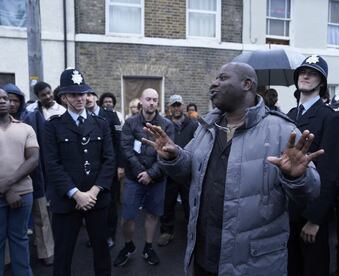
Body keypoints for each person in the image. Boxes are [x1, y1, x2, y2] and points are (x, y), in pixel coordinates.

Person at [143, 62, 322, 276]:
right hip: (203, 256)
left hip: (252, 265)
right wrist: (174, 157)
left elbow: (311, 192)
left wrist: (297, 177)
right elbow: (188, 170)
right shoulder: (207, 128)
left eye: (222, 78)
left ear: (247, 84)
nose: (214, 83)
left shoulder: (282, 131)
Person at [44, 68, 115, 276]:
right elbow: (52, 164)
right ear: (64, 97)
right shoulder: (53, 126)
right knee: (63, 255)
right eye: (74, 94)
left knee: (102, 253)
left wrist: (92, 192)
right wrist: (76, 193)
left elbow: (109, 160)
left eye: (83, 93)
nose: (80, 98)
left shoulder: (101, 124)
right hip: (67, 202)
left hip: (97, 199)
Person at [286, 55, 339, 276]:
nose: (306, 75)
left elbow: (332, 171)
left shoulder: (331, 118)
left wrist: (315, 218)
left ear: (322, 82)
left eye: (313, 73)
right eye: (302, 71)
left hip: (310, 211)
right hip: (286, 209)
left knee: (312, 268)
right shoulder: (290, 115)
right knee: (290, 267)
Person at [114, 88, 174, 267]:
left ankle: (148, 247)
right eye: (148, 99)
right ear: (141, 100)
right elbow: (125, 148)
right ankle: (128, 245)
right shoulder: (131, 122)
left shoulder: (166, 124)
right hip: (134, 178)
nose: (152, 103)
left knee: (152, 214)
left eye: (155, 100)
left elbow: (167, 153)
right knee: (127, 216)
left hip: (157, 179)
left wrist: (151, 173)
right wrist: (142, 171)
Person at [21, 81, 62, 266]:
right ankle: (41, 244)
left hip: (54, 162)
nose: (48, 97)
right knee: (40, 210)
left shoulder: (61, 110)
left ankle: (51, 245)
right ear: (38, 96)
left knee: (51, 208)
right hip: (37, 164)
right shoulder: (30, 113)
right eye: (44, 95)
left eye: (49, 93)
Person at [0, 88, 39, 276]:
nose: (2, 101)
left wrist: (8, 185)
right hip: (7, 194)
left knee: (19, 239)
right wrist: (6, 191)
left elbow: (33, 159)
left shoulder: (25, 128)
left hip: (23, 194)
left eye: (5, 98)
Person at [158, 94, 198, 247]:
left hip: (188, 171)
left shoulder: (193, 124)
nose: (176, 108)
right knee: (168, 203)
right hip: (170, 171)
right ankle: (167, 231)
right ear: (169, 107)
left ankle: (191, 232)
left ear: (183, 106)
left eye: (178, 105)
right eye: (173, 105)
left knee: (190, 203)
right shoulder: (165, 125)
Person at [85, 88, 122, 248]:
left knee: (110, 203)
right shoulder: (82, 116)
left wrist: (120, 165)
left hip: (109, 168)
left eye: (90, 94)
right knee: (91, 203)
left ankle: (109, 235)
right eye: (84, 95)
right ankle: (94, 236)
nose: (87, 98)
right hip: (90, 169)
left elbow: (119, 141)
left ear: (95, 97)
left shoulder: (110, 115)